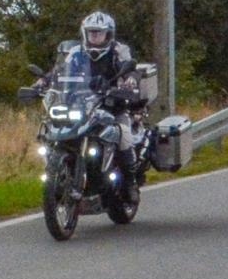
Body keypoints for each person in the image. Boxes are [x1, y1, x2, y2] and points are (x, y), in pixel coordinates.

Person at [38, 12, 147, 198]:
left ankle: (130, 184)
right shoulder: (75, 52)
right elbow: (59, 71)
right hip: (82, 104)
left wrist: (129, 81)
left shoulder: (118, 50)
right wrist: (44, 81)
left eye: (99, 32)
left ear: (108, 34)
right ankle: (61, 174)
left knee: (123, 136)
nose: (94, 36)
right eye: (91, 32)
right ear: (84, 33)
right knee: (50, 130)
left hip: (113, 105)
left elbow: (130, 69)